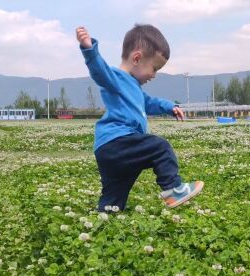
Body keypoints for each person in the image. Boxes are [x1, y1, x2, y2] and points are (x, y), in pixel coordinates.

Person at [76, 24, 203, 212]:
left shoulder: (134, 87)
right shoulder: (116, 78)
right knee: (160, 147)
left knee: (114, 195)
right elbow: (100, 72)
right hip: (117, 142)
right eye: (154, 68)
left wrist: (170, 107)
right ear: (137, 58)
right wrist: (89, 49)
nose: (154, 75)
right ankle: (173, 190)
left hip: (109, 150)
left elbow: (148, 102)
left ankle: (105, 218)